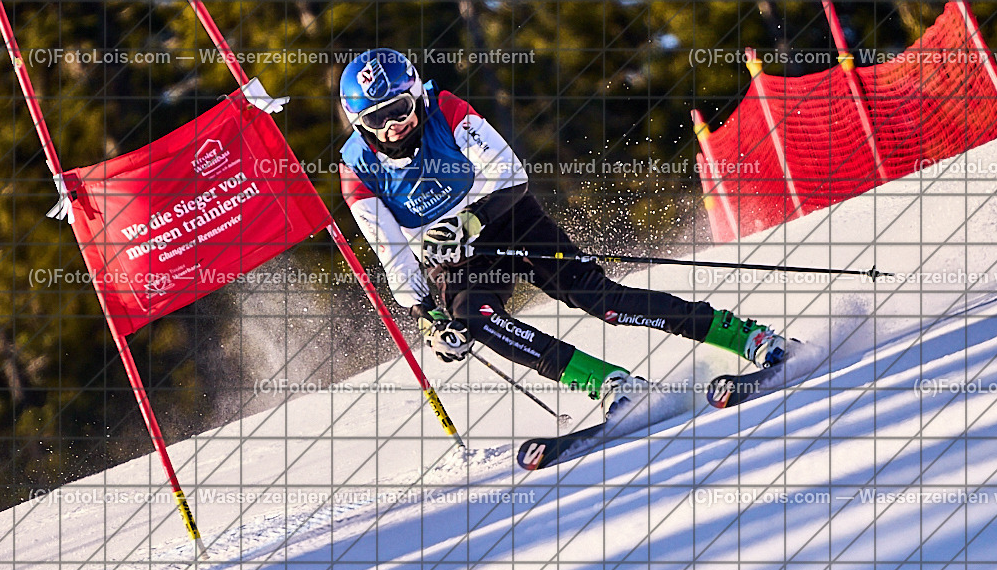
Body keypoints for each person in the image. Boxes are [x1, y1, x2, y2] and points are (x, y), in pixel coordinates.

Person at [337, 48, 787, 418]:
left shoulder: (446, 109)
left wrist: (470, 221)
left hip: (508, 218)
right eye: (377, 120)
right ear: (360, 126)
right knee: (475, 319)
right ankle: (610, 383)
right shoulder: (357, 172)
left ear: (416, 94)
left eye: (399, 109)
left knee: (601, 300)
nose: (393, 125)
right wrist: (427, 317)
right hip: (458, 260)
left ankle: (746, 337)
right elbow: (392, 254)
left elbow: (510, 174)